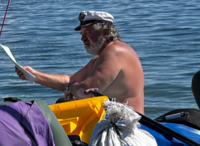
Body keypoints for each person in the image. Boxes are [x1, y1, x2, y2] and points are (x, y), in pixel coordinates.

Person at [15, 10, 145, 113]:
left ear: (105, 32)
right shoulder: (100, 58)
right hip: (114, 124)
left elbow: (86, 92)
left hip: (128, 128)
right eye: (81, 34)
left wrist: (71, 87)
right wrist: (33, 75)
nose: (82, 39)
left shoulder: (115, 51)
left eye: (88, 33)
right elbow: (69, 80)